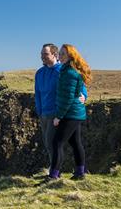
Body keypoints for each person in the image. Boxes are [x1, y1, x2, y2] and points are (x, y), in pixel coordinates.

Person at [34, 44, 87, 168]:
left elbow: (79, 84)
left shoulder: (62, 70)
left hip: (57, 112)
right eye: (41, 54)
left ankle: (55, 172)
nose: (42, 57)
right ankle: (55, 170)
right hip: (44, 113)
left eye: (45, 54)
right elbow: (38, 93)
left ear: (54, 54)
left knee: (52, 143)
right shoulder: (39, 73)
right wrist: (39, 110)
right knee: (49, 144)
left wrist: (84, 95)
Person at [48, 44, 92, 180]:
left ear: (70, 57)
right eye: (60, 53)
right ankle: (80, 173)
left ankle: (53, 176)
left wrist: (58, 117)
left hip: (70, 113)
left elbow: (67, 98)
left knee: (57, 143)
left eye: (63, 54)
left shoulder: (69, 73)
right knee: (75, 143)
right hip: (75, 113)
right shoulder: (67, 70)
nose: (60, 56)